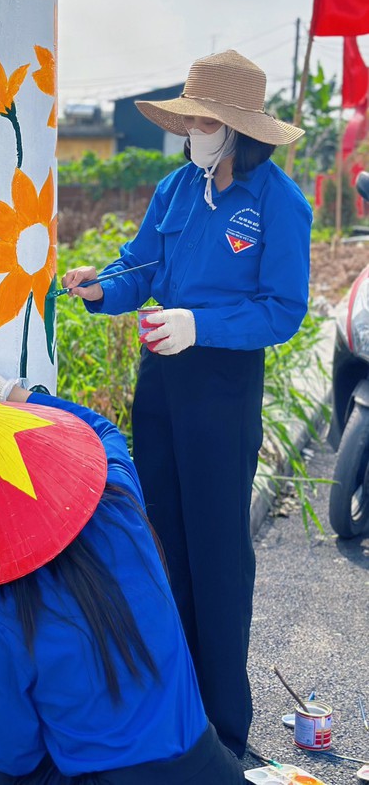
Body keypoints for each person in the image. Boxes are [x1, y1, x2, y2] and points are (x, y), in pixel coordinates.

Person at [62, 49, 312, 757]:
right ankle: (170, 713)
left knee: (217, 552)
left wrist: (200, 325)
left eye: (204, 122)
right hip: (161, 385)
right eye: (189, 120)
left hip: (222, 389)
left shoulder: (279, 203)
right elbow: (140, 266)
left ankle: (223, 729)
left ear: (238, 129)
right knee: (162, 543)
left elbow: (283, 309)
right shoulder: (175, 188)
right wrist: (101, 286)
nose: (191, 132)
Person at [0, 364, 247, 785]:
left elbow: (14, 756)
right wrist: (9, 394)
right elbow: (103, 431)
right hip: (208, 767)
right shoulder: (119, 507)